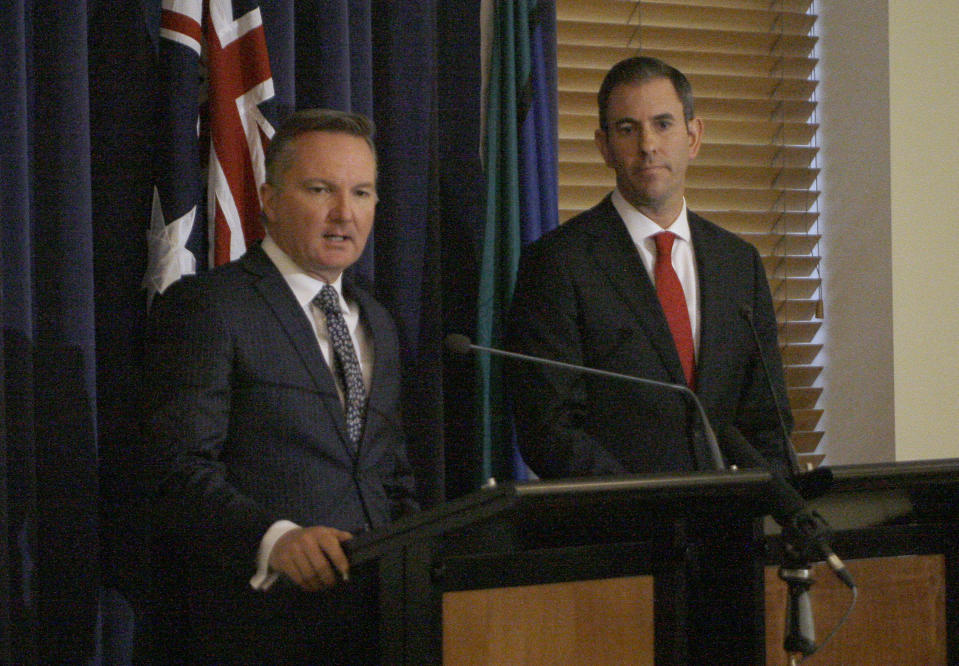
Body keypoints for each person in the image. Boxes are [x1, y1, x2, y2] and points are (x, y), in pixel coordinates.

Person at [139, 108, 418, 663]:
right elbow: (174, 470)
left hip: (378, 628)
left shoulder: (379, 323)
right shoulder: (212, 307)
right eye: (320, 189)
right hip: (259, 629)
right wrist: (276, 539)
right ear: (268, 200)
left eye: (362, 193)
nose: (345, 213)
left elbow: (388, 474)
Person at [506, 56, 794, 479]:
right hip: (619, 532)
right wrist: (649, 505)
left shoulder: (739, 264)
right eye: (628, 129)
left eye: (663, 124)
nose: (648, 145)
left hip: (729, 531)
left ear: (693, 137)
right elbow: (549, 430)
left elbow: (767, 423)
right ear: (604, 146)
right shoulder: (557, 263)